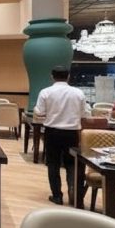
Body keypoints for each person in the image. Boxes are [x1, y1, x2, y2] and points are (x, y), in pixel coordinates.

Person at [34, 66, 89, 205]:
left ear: (52, 77)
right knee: (72, 164)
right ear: (68, 76)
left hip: (52, 132)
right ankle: (73, 193)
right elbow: (84, 114)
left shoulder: (45, 92)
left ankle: (57, 196)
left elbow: (39, 113)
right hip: (72, 133)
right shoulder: (78, 93)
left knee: (53, 164)